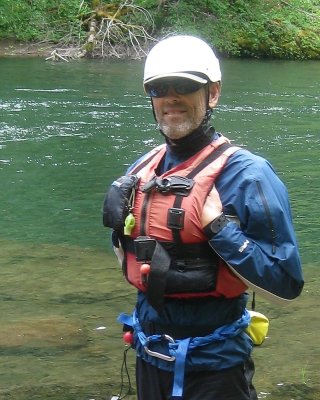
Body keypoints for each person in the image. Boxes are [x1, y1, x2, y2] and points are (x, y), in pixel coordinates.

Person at [103, 35, 304, 400]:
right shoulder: (142, 171)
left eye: (184, 86)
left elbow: (286, 283)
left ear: (212, 93)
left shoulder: (249, 176)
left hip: (216, 368)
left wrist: (218, 227)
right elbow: (128, 254)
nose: (171, 98)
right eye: (160, 89)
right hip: (150, 355)